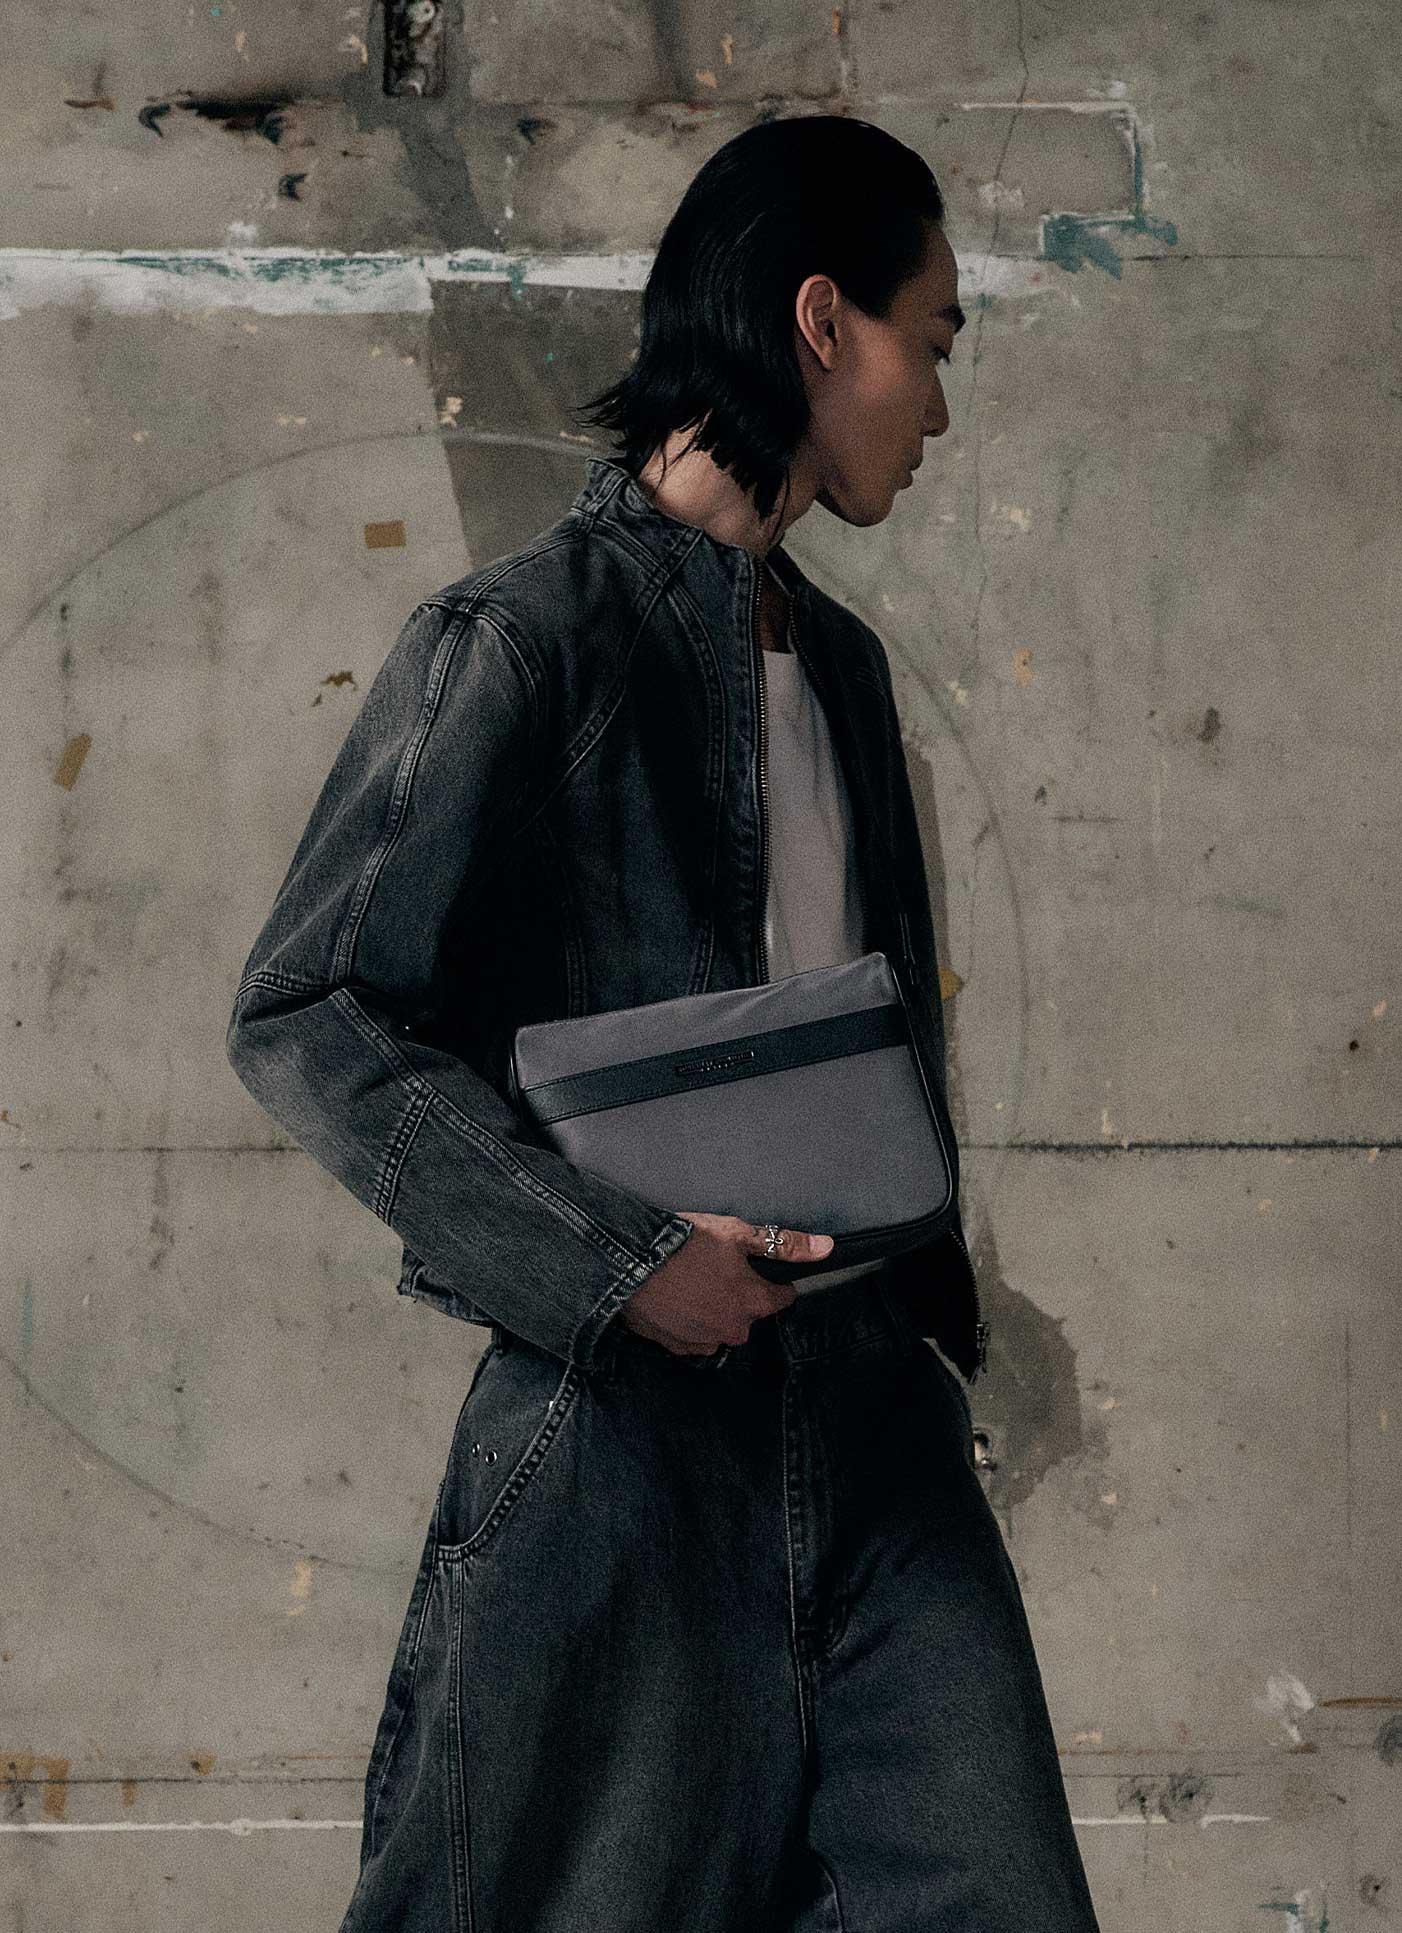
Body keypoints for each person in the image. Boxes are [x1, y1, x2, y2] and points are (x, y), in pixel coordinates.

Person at [226, 114, 1100, 1932]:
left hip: (872, 1425)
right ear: (820, 321)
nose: (941, 410)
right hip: (626, 1442)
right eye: (931, 343)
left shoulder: (840, 666)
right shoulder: (520, 639)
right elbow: (310, 1009)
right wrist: (618, 1262)